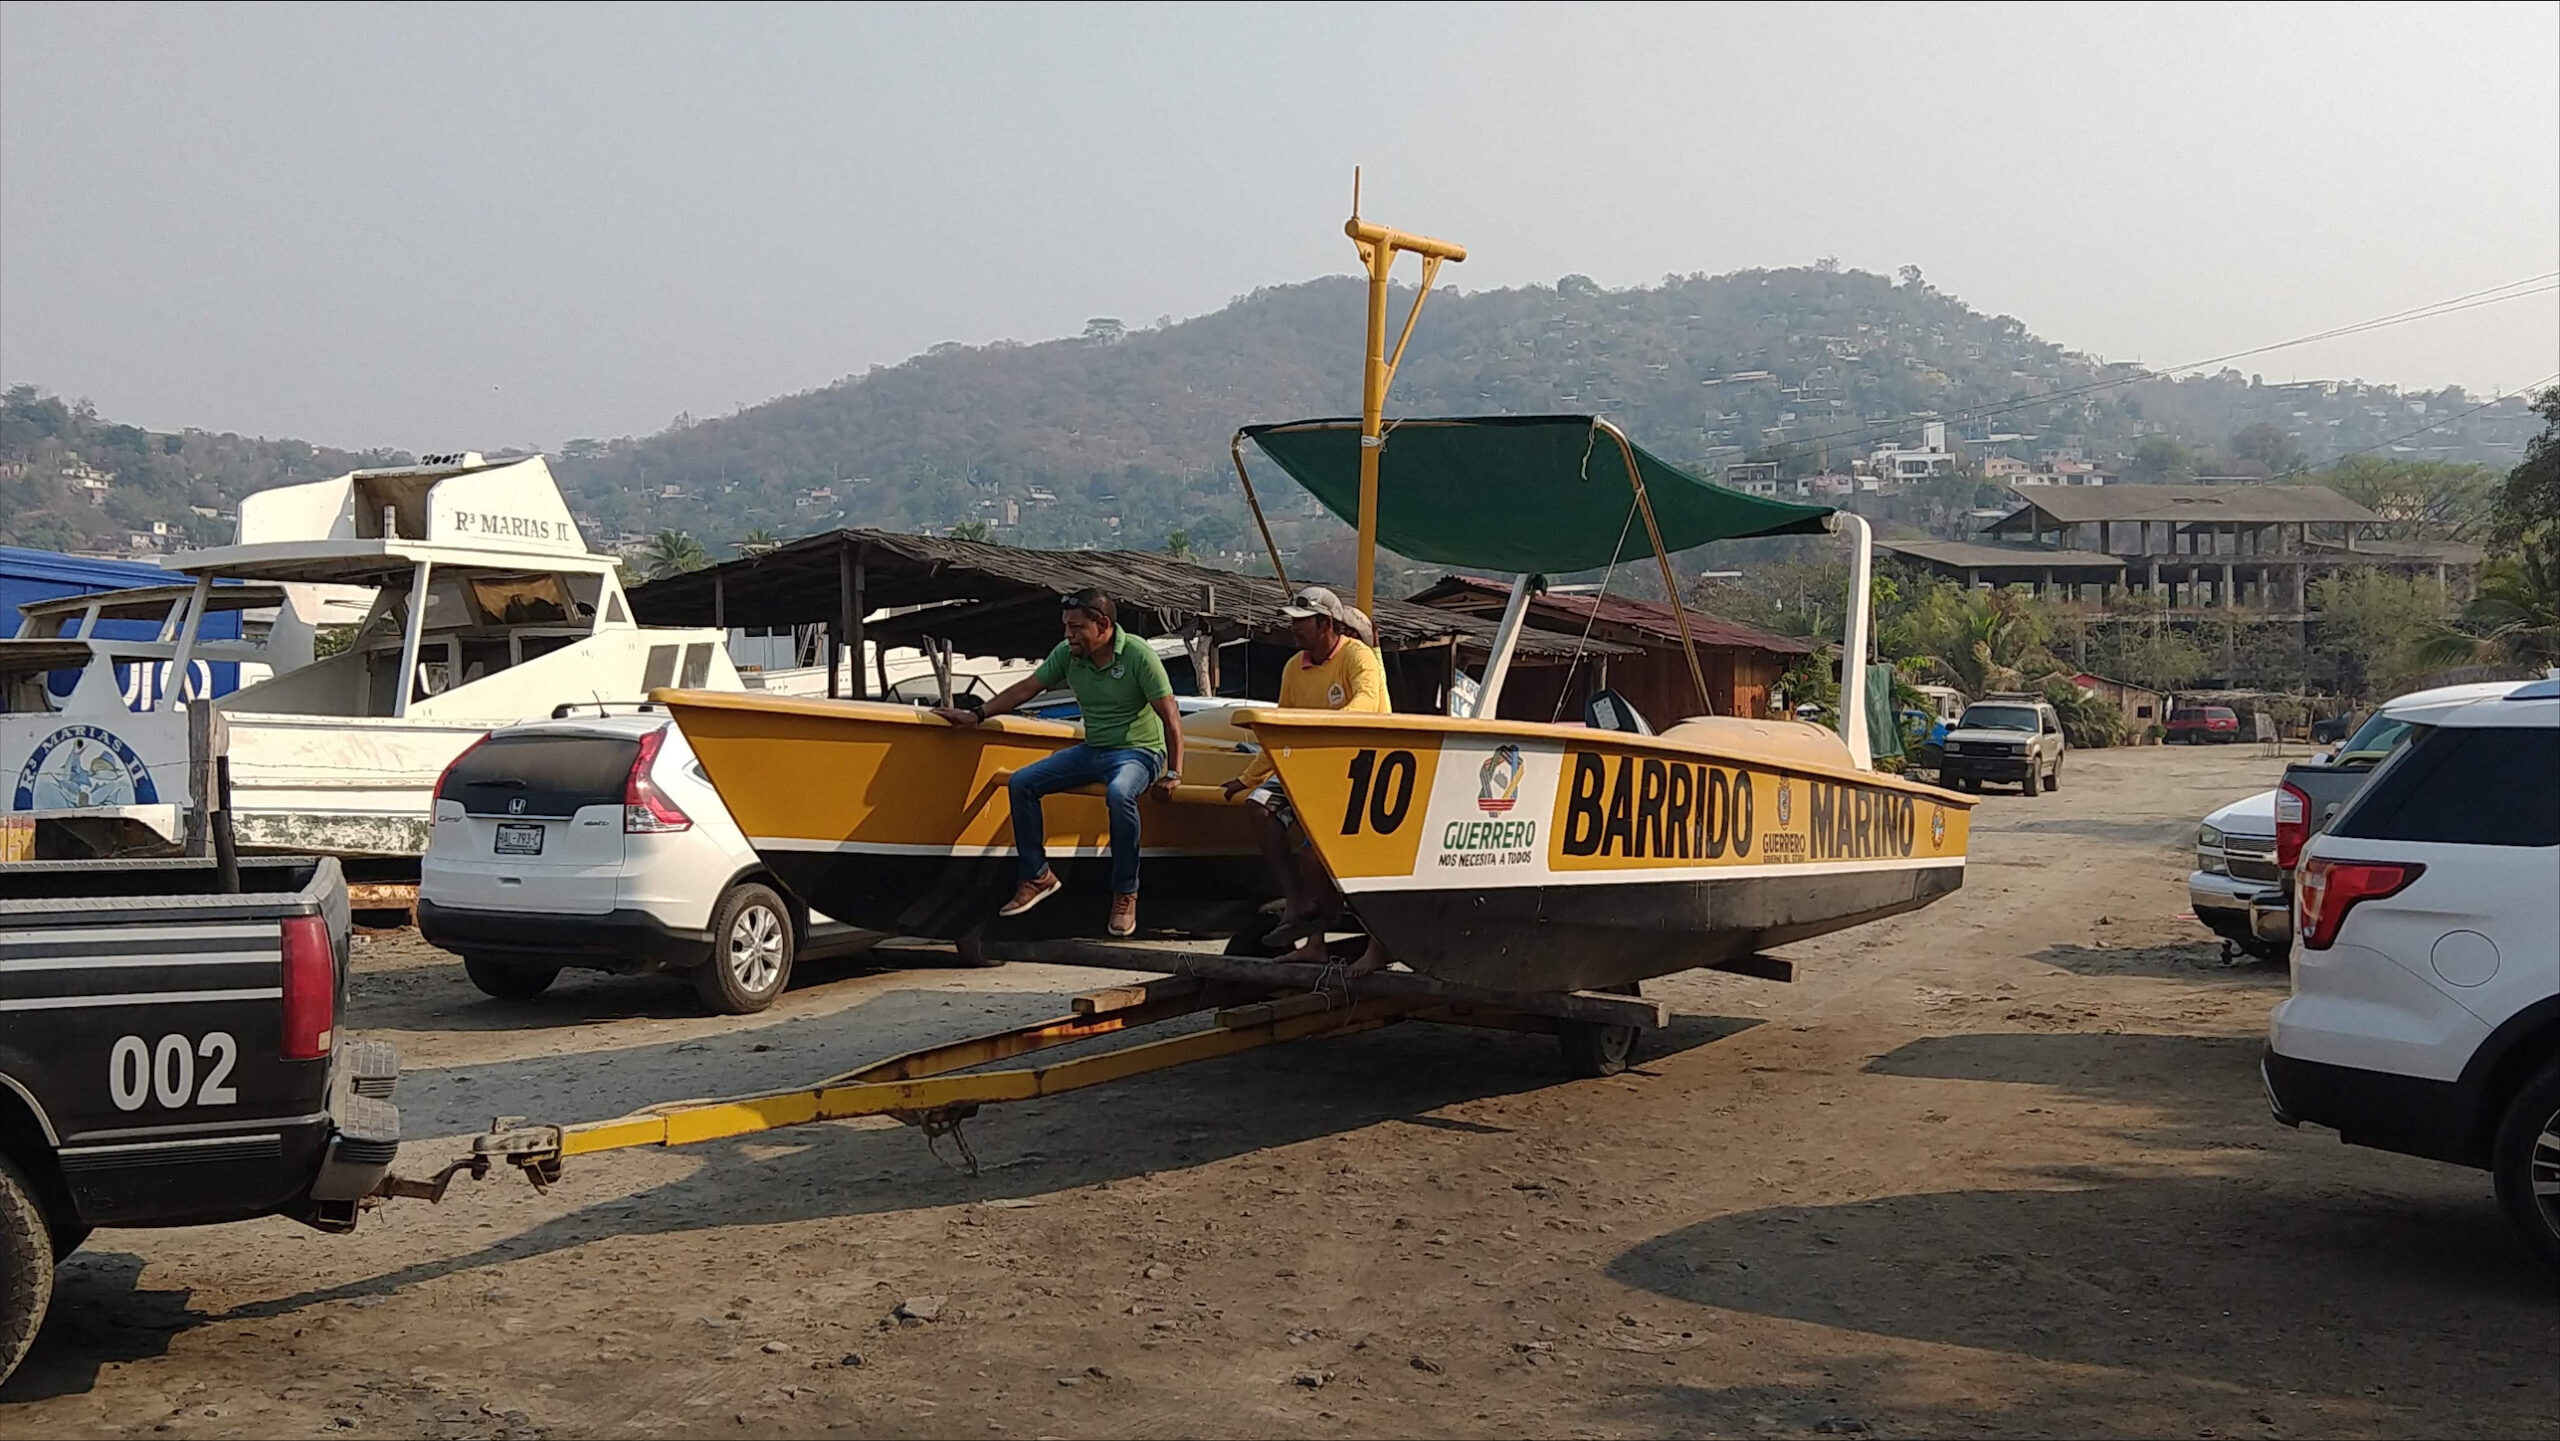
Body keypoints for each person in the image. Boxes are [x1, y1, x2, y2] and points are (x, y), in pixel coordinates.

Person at [934, 589, 1183, 938]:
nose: (1069, 635)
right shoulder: (1068, 654)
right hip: (1094, 748)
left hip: (1140, 752)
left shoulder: (1138, 655)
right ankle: (1037, 876)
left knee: (1119, 793)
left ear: (1103, 625)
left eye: (1077, 627)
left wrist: (1173, 772)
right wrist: (975, 715)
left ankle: (1126, 892)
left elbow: (1170, 715)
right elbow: (1026, 689)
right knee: (1022, 782)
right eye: (1066, 626)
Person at [1221, 584, 1393, 973]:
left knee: (1319, 853)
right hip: (1309, 766)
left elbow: (1366, 704)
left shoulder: (1358, 656)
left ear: (1326, 623)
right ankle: (1298, 905)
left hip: (1357, 768)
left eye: (1302, 622)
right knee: (1259, 805)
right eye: (1293, 622)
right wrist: (1247, 778)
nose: (1294, 630)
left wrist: (1318, 729)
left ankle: (1365, 941)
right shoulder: (1293, 668)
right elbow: (1278, 729)